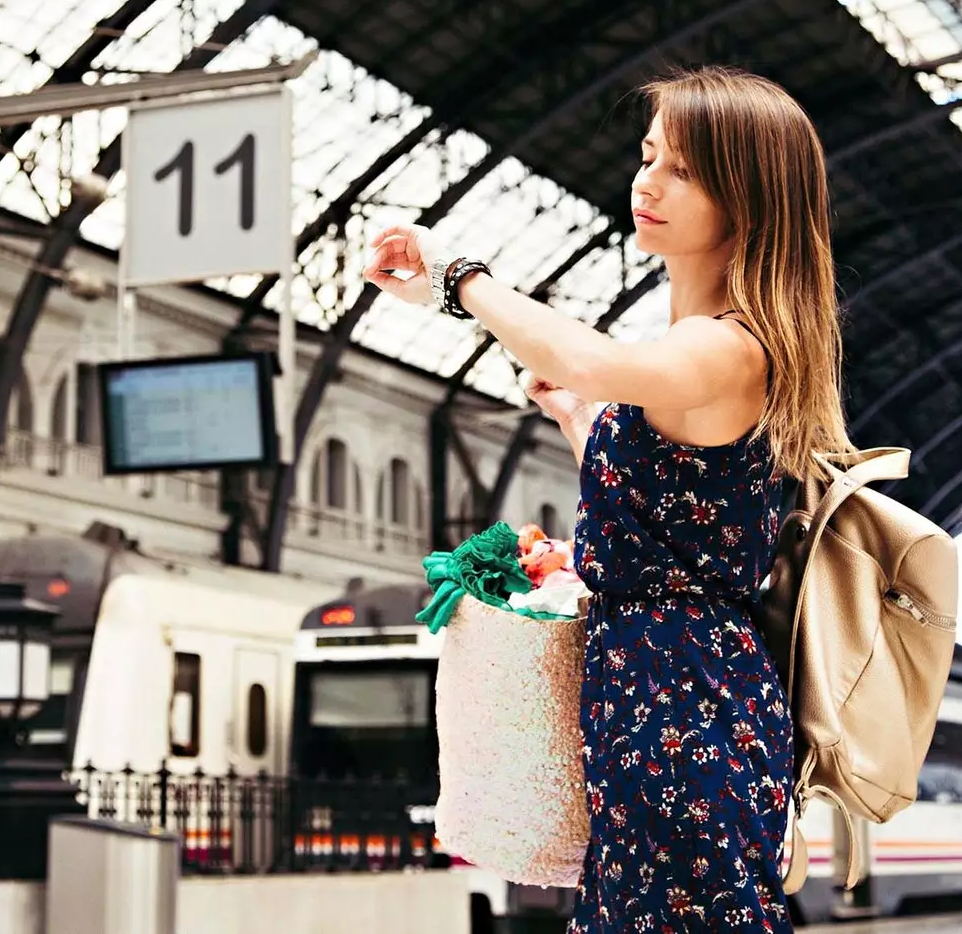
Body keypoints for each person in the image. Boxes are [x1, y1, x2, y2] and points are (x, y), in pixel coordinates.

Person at [364, 65, 852, 932]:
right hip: (649, 694)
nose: (647, 180)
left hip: (682, 706)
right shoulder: (697, 353)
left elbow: (591, 356)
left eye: (684, 169)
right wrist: (578, 417)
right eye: (648, 155)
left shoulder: (732, 345)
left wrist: (461, 278)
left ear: (747, 198)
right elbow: (668, 510)